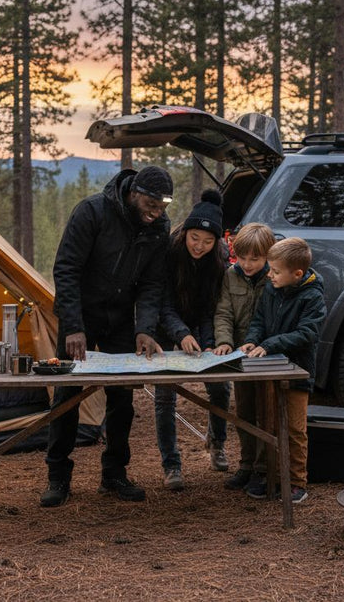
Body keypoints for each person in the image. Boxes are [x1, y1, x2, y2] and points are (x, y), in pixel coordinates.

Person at [40, 166, 170, 507]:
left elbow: (153, 284)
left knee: (122, 398)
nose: (156, 213)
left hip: (121, 319)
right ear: (134, 193)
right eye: (151, 204)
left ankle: (114, 473)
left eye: (163, 207)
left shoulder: (158, 227)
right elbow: (66, 268)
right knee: (67, 394)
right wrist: (73, 326)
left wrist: (144, 329)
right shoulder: (92, 211)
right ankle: (58, 477)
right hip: (81, 313)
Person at [239, 237, 327, 504]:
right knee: (268, 423)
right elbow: (259, 320)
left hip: (297, 372)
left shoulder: (312, 296)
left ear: (297, 274)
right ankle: (270, 477)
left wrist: (269, 344)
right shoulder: (272, 288)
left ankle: (297, 482)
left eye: (276, 271)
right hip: (269, 370)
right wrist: (252, 339)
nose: (271, 275)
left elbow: (307, 333)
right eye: (271, 269)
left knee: (295, 430)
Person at [152, 190, 231, 490]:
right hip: (165, 326)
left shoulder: (218, 261)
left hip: (200, 324)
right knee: (164, 396)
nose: (200, 246)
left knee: (221, 384)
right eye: (195, 237)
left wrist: (209, 343)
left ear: (216, 243)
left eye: (208, 241)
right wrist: (181, 334)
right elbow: (164, 305)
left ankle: (218, 443)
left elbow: (212, 309)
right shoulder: (169, 254)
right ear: (186, 232)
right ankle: (171, 464)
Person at [212, 223, 275, 491]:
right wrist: (225, 342)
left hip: (268, 357)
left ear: (268, 257)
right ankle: (246, 464)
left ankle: (263, 469)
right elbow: (224, 312)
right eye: (242, 258)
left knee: (266, 412)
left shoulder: (274, 278)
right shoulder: (230, 275)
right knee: (245, 412)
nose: (247, 264)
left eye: (255, 259)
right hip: (239, 356)